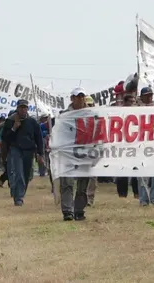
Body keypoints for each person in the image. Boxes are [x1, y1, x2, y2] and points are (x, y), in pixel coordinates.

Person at [1, 100, 45, 207]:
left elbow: (39, 138)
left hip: (29, 151)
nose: (23, 109)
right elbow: (5, 138)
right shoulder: (10, 121)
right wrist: (14, 128)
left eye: (25, 107)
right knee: (18, 173)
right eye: (21, 107)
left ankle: (19, 192)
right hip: (15, 149)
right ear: (17, 108)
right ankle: (18, 198)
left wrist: (40, 153)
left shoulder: (32, 122)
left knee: (27, 175)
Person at [59, 88, 92, 221]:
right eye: (77, 97)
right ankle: (67, 211)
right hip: (68, 152)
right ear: (72, 99)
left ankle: (79, 210)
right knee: (67, 182)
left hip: (85, 152)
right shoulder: (64, 115)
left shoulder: (90, 114)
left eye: (82, 96)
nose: (80, 99)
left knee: (83, 183)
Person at [135, 87, 154, 207]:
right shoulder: (136, 111)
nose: (149, 97)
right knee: (142, 175)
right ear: (141, 97)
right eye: (147, 95)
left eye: (151, 95)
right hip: (141, 146)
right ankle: (144, 199)